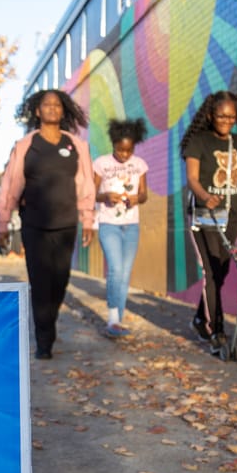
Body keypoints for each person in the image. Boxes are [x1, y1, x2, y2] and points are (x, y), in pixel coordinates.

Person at [0, 89, 96, 359]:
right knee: (40, 283)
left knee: (60, 281)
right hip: (34, 224)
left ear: (63, 110)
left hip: (66, 224)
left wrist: (88, 218)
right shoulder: (25, 145)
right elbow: (10, 185)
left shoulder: (76, 145)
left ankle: (47, 324)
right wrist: (3, 223)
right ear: (37, 111)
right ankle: (44, 340)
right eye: (46, 105)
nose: (52, 108)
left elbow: (87, 183)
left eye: (56, 104)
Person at [179, 90, 237, 354]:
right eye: (221, 116)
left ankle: (200, 319)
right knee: (210, 271)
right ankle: (215, 329)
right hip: (203, 215)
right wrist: (205, 196)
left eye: (231, 117)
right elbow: (193, 178)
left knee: (221, 272)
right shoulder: (198, 141)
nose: (226, 120)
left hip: (231, 215)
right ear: (211, 115)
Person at [93, 117, 149, 338]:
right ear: (113, 144)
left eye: (129, 150)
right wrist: (106, 195)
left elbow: (144, 194)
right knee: (115, 269)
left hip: (131, 225)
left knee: (125, 274)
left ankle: (118, 320)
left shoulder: (140, 164)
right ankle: (113, 319)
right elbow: (92, 193)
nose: (124, 155)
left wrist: (137, 198)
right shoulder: (101, 163)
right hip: (109, 224)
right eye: (120, 150)